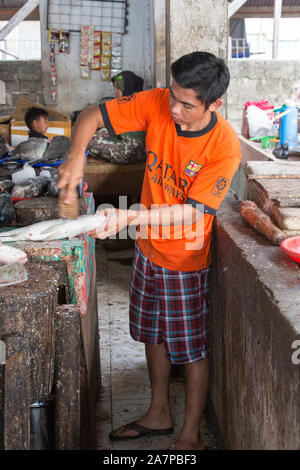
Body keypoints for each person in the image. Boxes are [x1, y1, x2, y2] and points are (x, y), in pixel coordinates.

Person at [57, 51, 241, 450]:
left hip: (183, 260)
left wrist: (128, 218)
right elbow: (92, 116)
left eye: (187, 103)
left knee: (191, 349)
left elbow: (191, 214)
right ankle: (159, 411)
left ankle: (189, 432)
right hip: (147, 250)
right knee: (151, 334)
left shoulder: (223, 147)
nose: (174, 107)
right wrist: (75, 158)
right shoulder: (159, 101)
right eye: (173, 95)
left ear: (214, 104)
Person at [87, 70, 146, 164]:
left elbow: (110, 130)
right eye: (114, 88)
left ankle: (99, 160)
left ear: (127, 88)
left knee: (89, 141)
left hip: (133, 154)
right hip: (139, 151)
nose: (115, 92)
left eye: (118, 88)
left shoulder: (130, 106)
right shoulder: (138, 101)